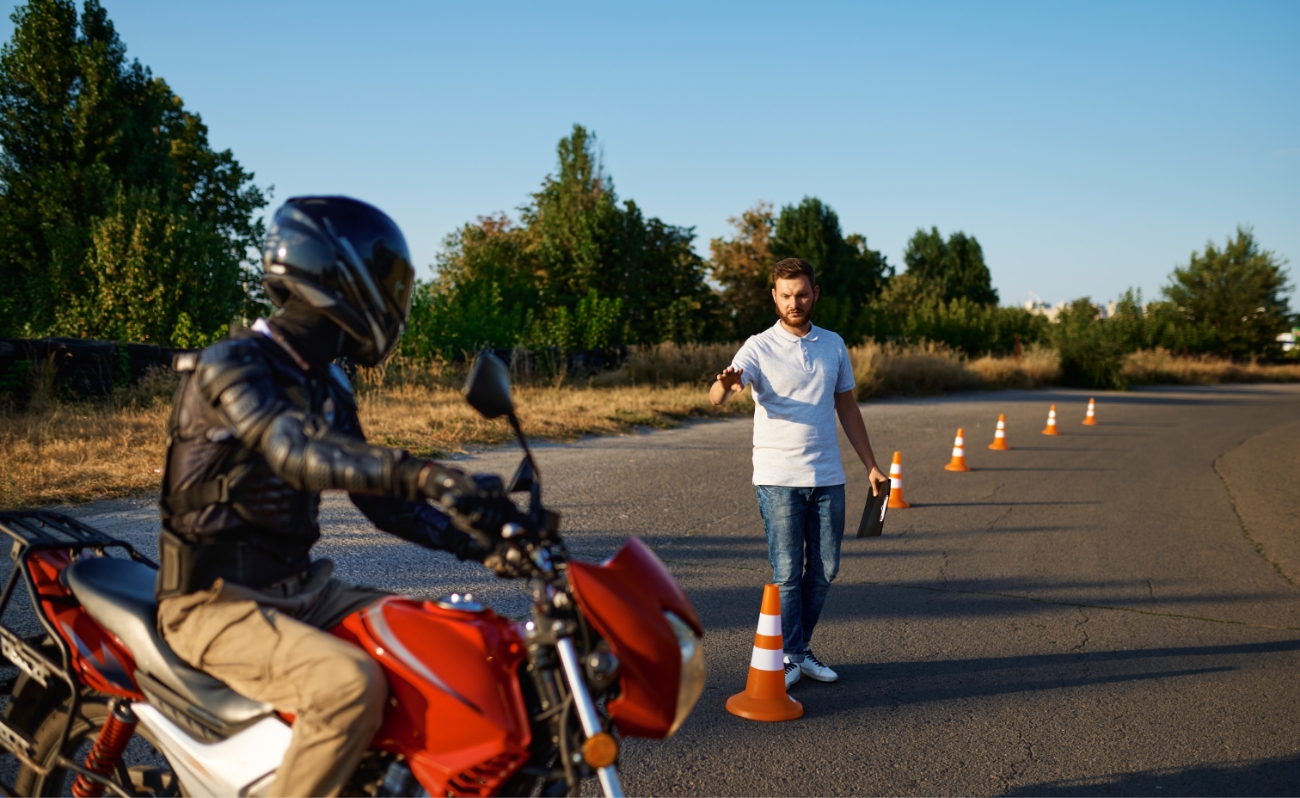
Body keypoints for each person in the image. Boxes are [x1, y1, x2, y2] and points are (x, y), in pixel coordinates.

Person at [156, 196, 514, 797]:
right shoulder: (232, 363)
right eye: (387, 281)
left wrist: (484, 541)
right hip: (210, 604)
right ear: (336, 277)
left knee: (444, 644)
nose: (395, 299)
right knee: (349, 686)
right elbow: (295, 451)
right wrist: (426, 473)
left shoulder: (326, 381)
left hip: (300, 591)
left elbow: (384, 502)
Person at [709, 257, 888, 688]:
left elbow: (847, 406)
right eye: (786, 295)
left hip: (827, 476)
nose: (795, 302)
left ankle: (798, 649)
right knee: (787, 571)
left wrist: (872, 466)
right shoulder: (757, 347)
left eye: (802, 293)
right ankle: (790, 654)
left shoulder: (833, 344)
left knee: (826, 568)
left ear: (815, 294)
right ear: (774, 296)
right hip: (778, 478)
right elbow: (719, 394)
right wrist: (726, 385)